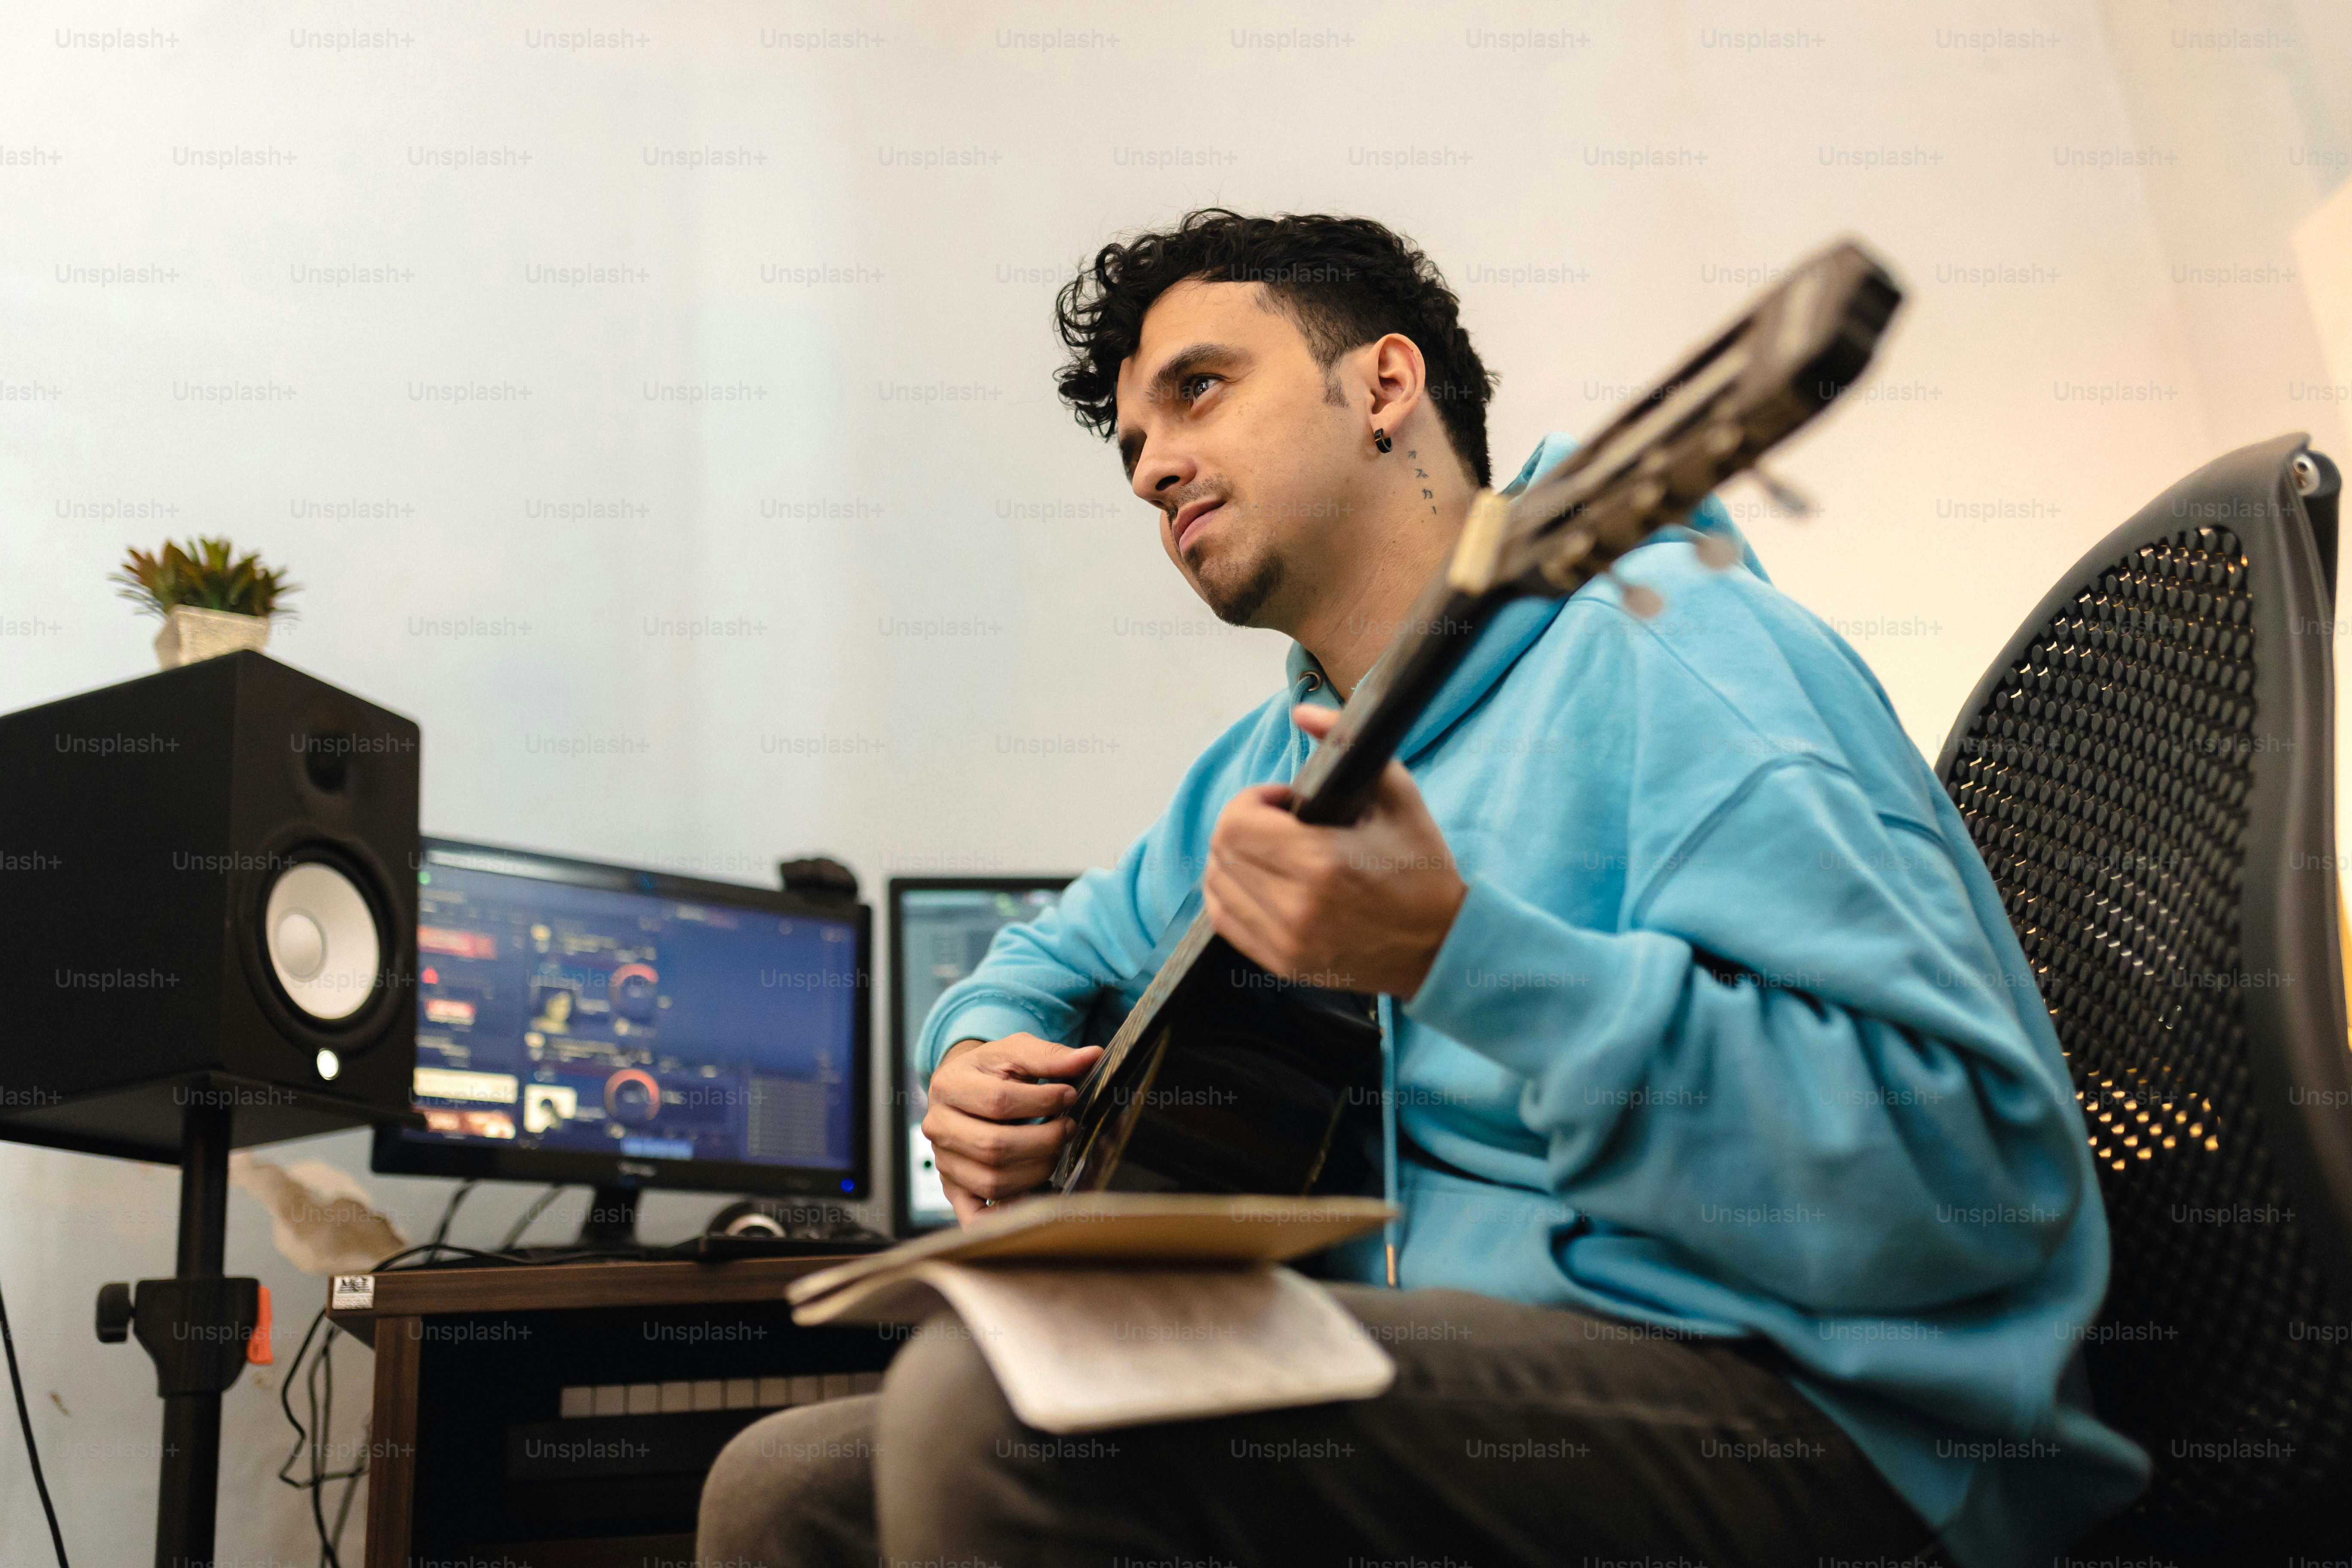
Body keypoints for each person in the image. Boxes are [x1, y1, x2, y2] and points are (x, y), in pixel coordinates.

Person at [698, 209, 2149, 1568]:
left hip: (1821, 1411)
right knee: (782, 1487)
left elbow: (1967, 1175)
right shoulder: (1266, 762)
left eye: (1200, 391)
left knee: (1002, 1413)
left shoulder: (1680, 653)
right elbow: (1044, 953)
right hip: (1450, 1371)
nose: (1149, 466)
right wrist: (970, 1057)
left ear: (1384, 384)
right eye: (1133, 442)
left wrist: (1464, 955)